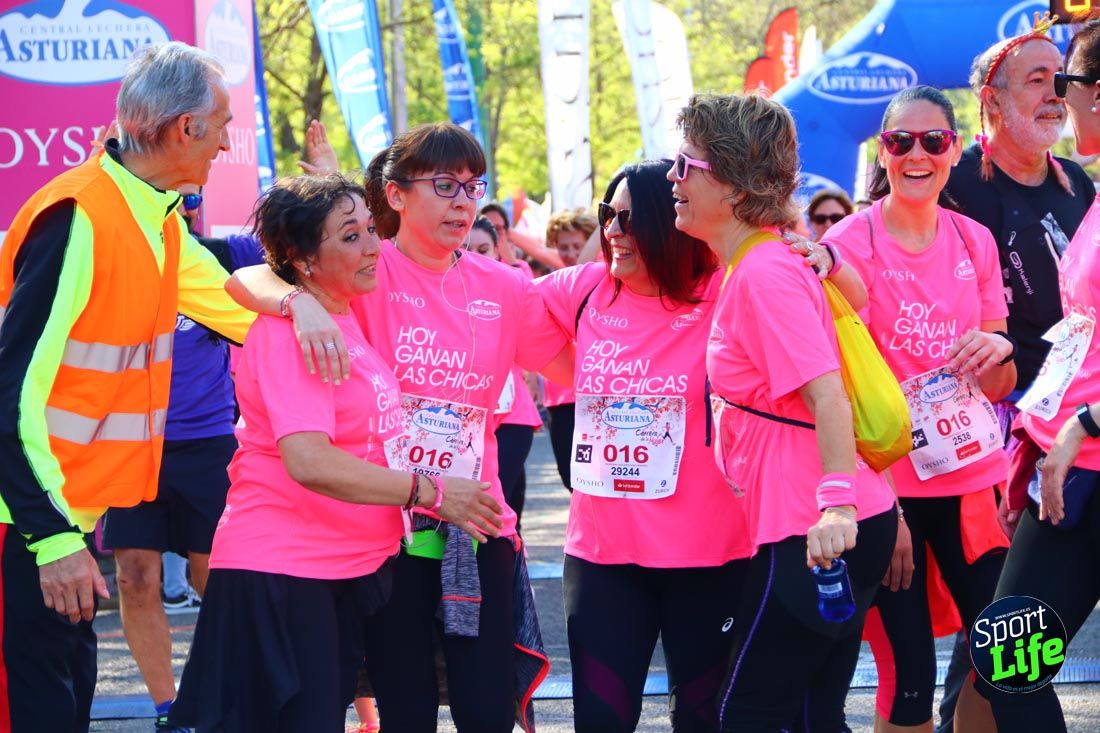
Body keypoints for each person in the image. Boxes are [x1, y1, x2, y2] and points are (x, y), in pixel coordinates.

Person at [225, 122, 574, 732]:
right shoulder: (365, 266)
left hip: (475, 520)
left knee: (485, 708)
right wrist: (296, 302)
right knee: (405, 708)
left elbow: (578, 365)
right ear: (396, 195)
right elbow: (245, 280)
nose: (463, 201)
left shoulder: (505, 286)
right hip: (389, 528)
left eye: (473, 186)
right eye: (444, 185)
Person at [169, 173, 499, 732]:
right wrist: (432, 492)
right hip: (282, 574)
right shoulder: (293, 334)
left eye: (371, 229)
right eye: (351, 236)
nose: (373, 245)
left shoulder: (339, 316)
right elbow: (310, 461)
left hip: (336, 572)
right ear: (302, 259)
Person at [0, 42, 255, 732]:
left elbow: (245, 309)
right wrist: (50, 538)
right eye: (223, 123)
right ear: (184, 130)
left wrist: (325, 314)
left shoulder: (157, 217)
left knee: (62, 706)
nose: (228, 141)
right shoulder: (78, 217)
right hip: (23, 526)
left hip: (66, 516)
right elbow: (9, 391)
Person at [670, 92, 897, 731]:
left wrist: (835, 504)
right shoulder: (759, 260)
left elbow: (828, 393)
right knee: (807, 717)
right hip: (822, 524)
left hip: (817, 530)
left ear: (736, 187)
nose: (673, 179)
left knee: (747, 716)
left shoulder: (765, 270)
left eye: (686, 164)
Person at [536, 159, 755, 732]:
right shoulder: (586, 289)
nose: (611, 230)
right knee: (602, 722)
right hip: (605, 558)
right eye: (608, 215)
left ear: (672, 219)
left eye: (629, 219)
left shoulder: (730, 290)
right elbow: (482, 310)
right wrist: (296, 298)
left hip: (713, 555)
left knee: (705, 721)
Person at [822, 86, 1015, 733]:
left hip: (970, 486)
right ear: (884, 150)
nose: (917, 154)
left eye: (933, 141)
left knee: (1005, 653)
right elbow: (835, 390)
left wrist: (1000, 346)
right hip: (888, 495)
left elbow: (1000, 376)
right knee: (909, 678)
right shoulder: (850, 240)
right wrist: (882, 503)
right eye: (901, 141)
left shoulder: (975, 241)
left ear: (954, 150)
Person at [939, 17, 1096, 731]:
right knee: (997, 651)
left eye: (1066, 81)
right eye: (1041, 80)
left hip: (1072, 446)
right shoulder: (955, 183)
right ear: (991, 103)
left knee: (1003, 654)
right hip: (994, 435)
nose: (1059, 95)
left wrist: (1079, 427)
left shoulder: (1080, 185)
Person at [101, 184, 264, 732]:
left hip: (207, 442)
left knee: (210, 578)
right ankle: (169, 710)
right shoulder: (114, 255)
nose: (181, 208)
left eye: (189, 200)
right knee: (136, 578)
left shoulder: (223, 256)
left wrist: (323, 182)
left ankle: (214, 693)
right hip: (130, 442)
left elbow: (297, 251)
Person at [467, 217, 542, 530]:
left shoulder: (512, 282)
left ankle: (508, 573)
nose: (472, 255)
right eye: (465, 248)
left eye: (483, 249)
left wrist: (534, 373)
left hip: (512, 416)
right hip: (464, 420)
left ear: (497, 252)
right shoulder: (437, 291)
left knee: (498, 508)